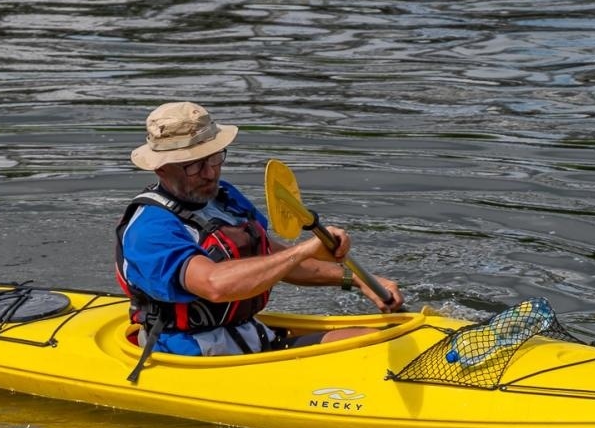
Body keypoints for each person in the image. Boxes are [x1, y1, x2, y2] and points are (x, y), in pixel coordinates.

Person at [115, 102, 402, 370]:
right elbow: (215, 285)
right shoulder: (150, 229)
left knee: (377, 341)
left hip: (249, 336)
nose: (210, 172)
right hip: (186, 355)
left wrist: (354, 279)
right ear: (162, 169)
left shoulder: (223, 197)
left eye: (214, 158)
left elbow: (267, 256)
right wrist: (303, 250)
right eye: (194, 165)